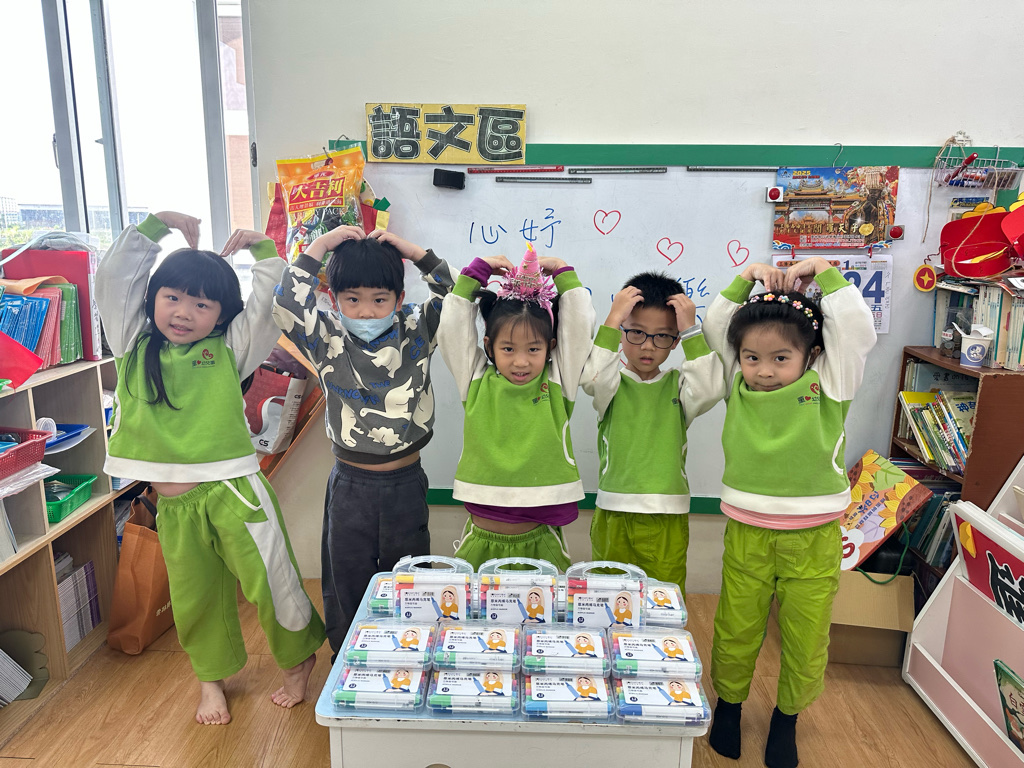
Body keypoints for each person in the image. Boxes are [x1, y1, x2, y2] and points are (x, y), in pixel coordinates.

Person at [96, 212, 325, 726]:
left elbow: (268, 306)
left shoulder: (228, 349)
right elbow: (113, 278)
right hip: (175, 506)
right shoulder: (132, 342)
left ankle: (297, 660)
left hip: (233, 490)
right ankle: (210, 680)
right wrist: (156, 225)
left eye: (202, 304)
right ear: (152, 298)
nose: (183, 312)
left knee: (270, 581)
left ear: (221, 314)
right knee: (194, 598)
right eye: (172, 297)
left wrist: (264, 251)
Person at [702, 256, 876, 768]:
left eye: (781, 358)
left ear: (810, 354)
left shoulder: (831, 382)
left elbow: (857, 330)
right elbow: (716, 325)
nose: (764, 371)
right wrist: (746, 278)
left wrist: (823, 271)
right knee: (736, 626)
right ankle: (729, 706)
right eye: (752, 358)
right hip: (748, 530)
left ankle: (787, 718)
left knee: (805, 635)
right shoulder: (736, 380)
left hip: (814, 536)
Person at [272, 225, 456, 657]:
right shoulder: (326, 336)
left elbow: (457, 298)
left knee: (409, 580)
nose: (367, 311)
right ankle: (348, 659)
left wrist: (415, 252)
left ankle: (409, 656)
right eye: (352, 299)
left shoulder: (416, 328)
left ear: (399, 298)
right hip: (350, 485)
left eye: (379, 299)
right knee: (346, 579)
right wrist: (321, 245)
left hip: (405, 484)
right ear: (334, 299)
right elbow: (287, 304)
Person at [437, 244, 595, 570]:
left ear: (550, 347)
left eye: (533, 349)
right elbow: (452, 330)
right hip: (481, 538)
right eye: (508, 349)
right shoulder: (475, 380)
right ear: (489, 346)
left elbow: (579, 328)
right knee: (471, 604)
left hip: (541, 540)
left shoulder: (558, 380)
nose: (521, 361)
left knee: (549, 604)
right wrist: (475, 273)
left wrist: (563, 270)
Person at [581, 272, 725, 594]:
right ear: (622, 332)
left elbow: (711, 388)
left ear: (675, 341)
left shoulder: (679, 385)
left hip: (667, 514)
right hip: (614, 512)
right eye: (636, 332)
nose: (648, 346)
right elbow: (591, 376)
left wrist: (691, 329)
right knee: (608, 596)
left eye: (662, 336)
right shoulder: (612, 384)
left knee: (664, 598)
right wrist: (612, 318)